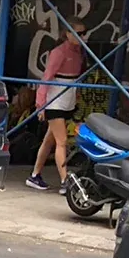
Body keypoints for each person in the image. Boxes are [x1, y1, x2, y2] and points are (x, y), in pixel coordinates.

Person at [26, 18, 88, 194]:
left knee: (50, 139)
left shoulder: (80, 53)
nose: (83, 36)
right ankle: (64, 181)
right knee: (62, 141)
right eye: (79, 33)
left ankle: (35, 175)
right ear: (67, 34)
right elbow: (46, 78)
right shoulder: (59, 52)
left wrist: (76, 95)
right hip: (55, 100)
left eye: (84, 33)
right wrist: (40, 104)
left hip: (67, 99)